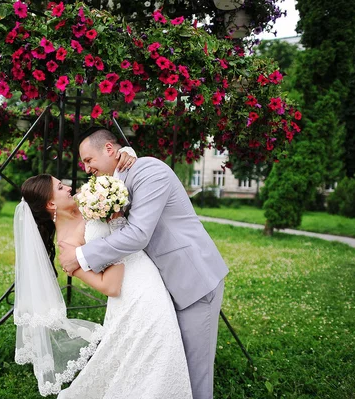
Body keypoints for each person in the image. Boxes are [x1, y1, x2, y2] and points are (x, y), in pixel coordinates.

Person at [58, 126, 229, 399]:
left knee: (195, 372)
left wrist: (80, 257)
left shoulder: (150, 171)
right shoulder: (115, 178)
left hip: (192, 281)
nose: (87, 168)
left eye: (89, 160)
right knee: (173, 368)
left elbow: (137, 234)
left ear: (110, 150)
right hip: (162, 287)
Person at [16, 167, 192, 397]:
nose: (69, 187)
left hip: (148, 275)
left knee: (157, 352)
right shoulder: (67, 248)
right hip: (135, 294)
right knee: (157, 348)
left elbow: (117, 181)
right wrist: (116, 232)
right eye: (60, 187)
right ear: (51, 204)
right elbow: (111, 286)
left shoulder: (90, 200)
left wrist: (126, 154)